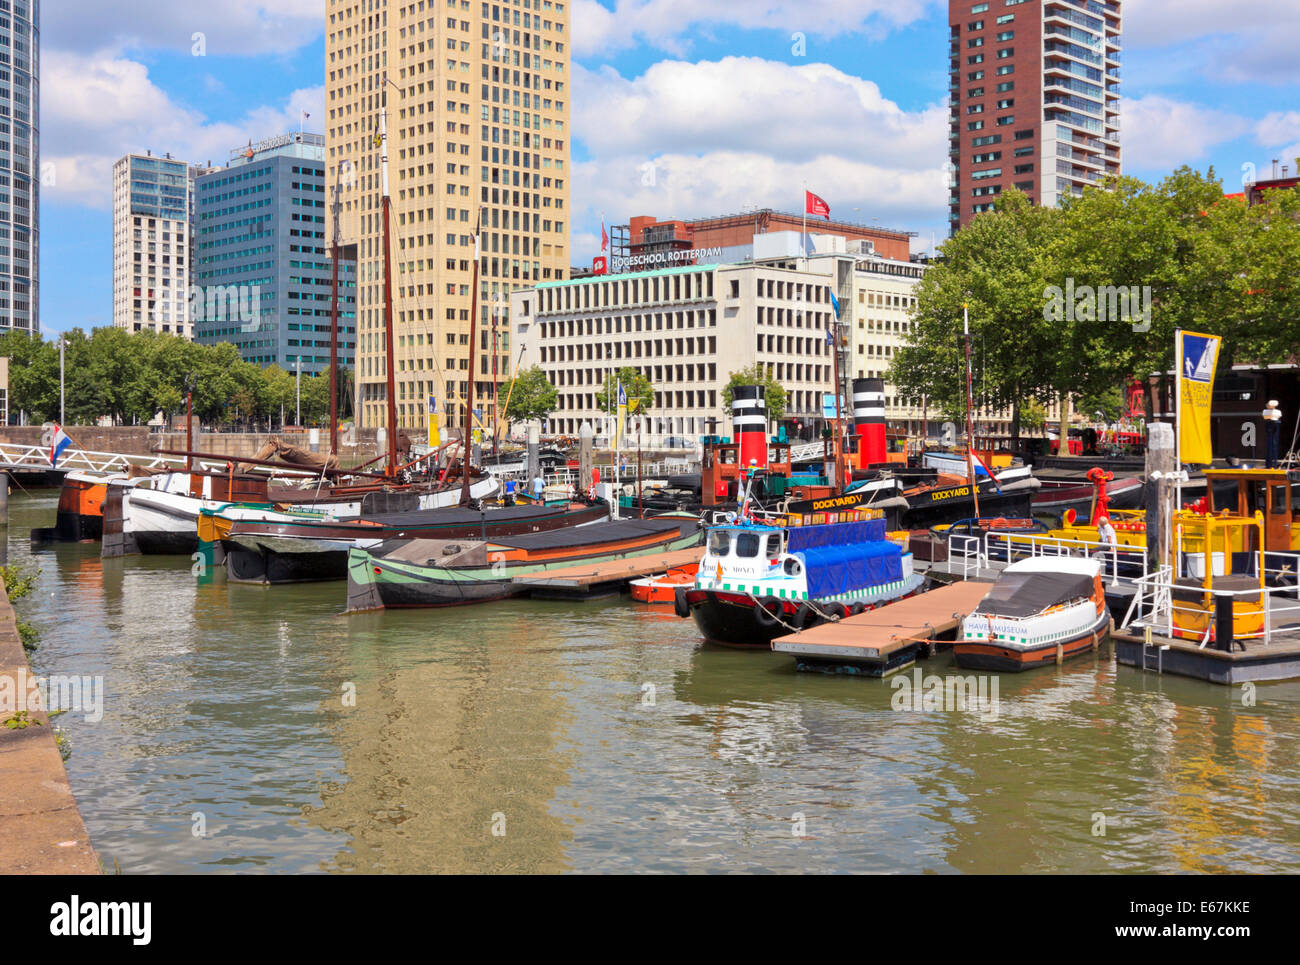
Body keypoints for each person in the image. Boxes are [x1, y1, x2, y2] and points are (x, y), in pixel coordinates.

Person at [1263, 400, 1283, 469]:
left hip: (1272, 424)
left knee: (1271, 445)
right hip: (1273, 424)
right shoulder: (1275, 412)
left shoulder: (1267, 412)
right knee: (1273, 445)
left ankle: (1271, 464)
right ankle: (1273, 463)